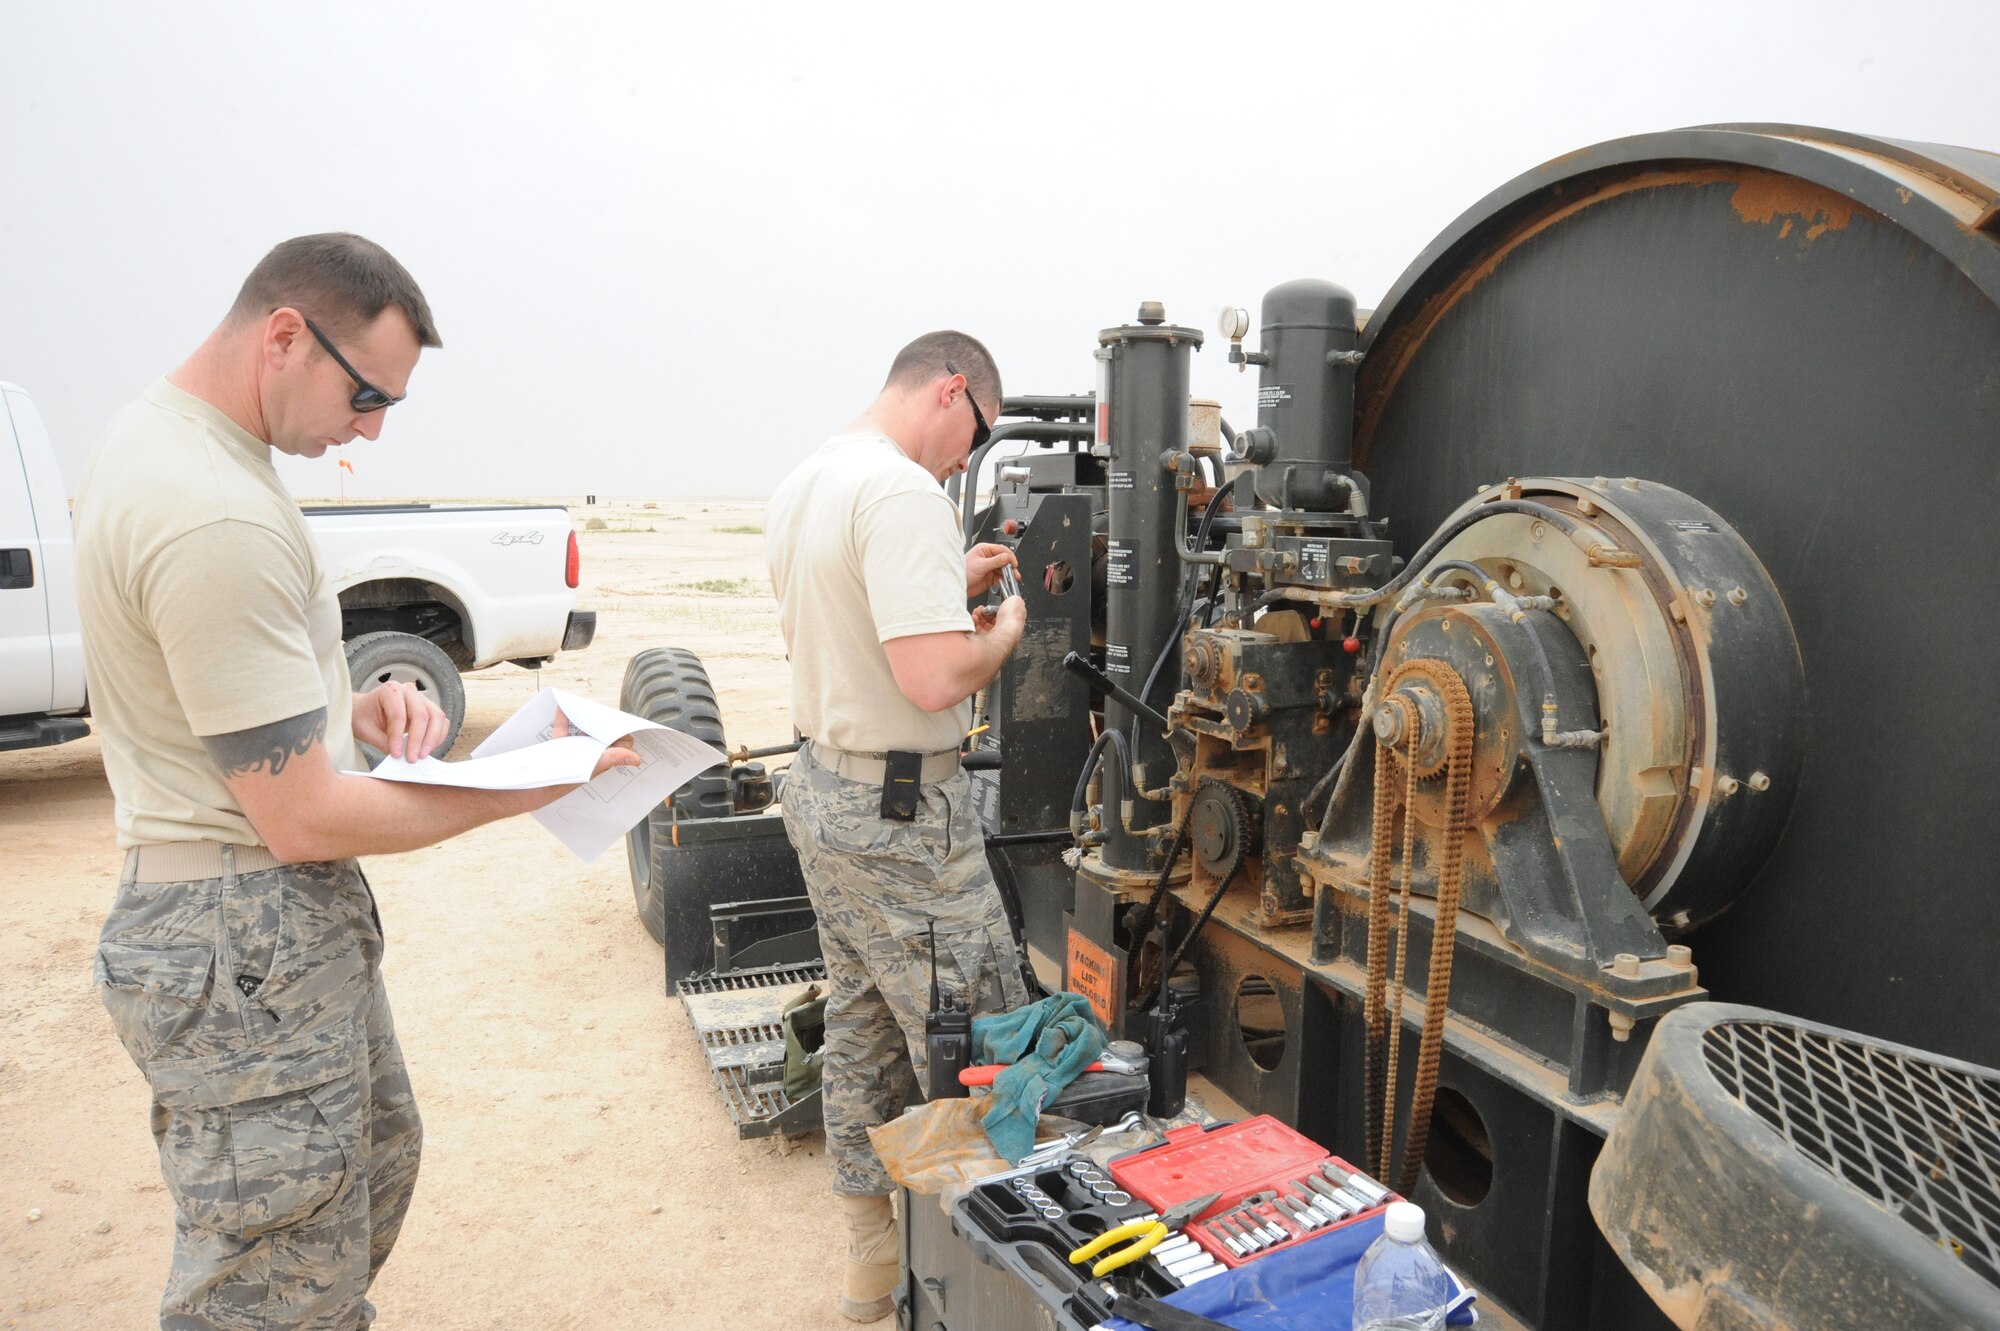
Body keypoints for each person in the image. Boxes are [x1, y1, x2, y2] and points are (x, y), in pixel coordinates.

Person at [74, 233, 638, 1330]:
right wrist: (526, 781)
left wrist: (353, 705)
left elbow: (217, 696)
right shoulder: (213, 508)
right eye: (365, 393)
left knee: (358, 1180)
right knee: (275, 1284)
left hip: (253, 928)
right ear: (285, 335)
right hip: (241, 929)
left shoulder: (179, 446)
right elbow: (299, 813)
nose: (371, 429)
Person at [765, 331, 1032, 1322]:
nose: (966, 462)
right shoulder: (904, 491)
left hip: (824, 792)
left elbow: (852, 618)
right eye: (978, 435)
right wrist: (1002, 633)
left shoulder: (809, 480)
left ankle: (873, 1256)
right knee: (981, 1029)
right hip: (901, 813)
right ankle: (987, 1281)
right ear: (952, 390)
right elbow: (932, 677)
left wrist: (942, 581)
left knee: (864, 1021)